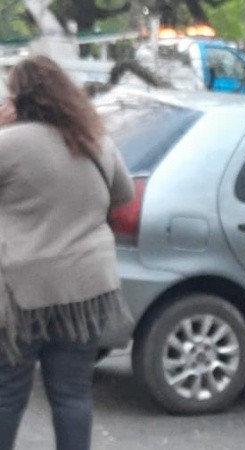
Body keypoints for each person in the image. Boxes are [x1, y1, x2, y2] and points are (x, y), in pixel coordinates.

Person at [0, 55, 134, 450]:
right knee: (72, 394)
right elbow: (123, 195)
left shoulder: (8, 143)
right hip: (87, 289)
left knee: (8, 393)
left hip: (23, 292)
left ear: (20, 97)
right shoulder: (96, 140)